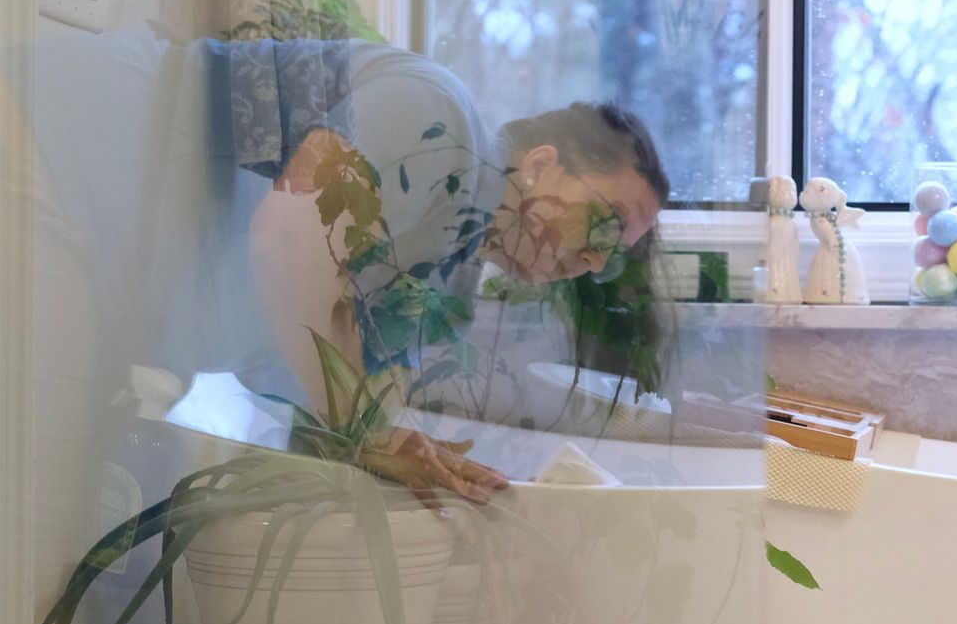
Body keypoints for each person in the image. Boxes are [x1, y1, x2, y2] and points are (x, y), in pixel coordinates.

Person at [247, 62, 669, 502]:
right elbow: (284, 238)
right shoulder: (436, 116)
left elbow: (326, 423)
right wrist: (363, 435)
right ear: (541, 166)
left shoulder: (451, 288)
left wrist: (403, 454)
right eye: (607, 226)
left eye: (615, 255)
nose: (596, 263)